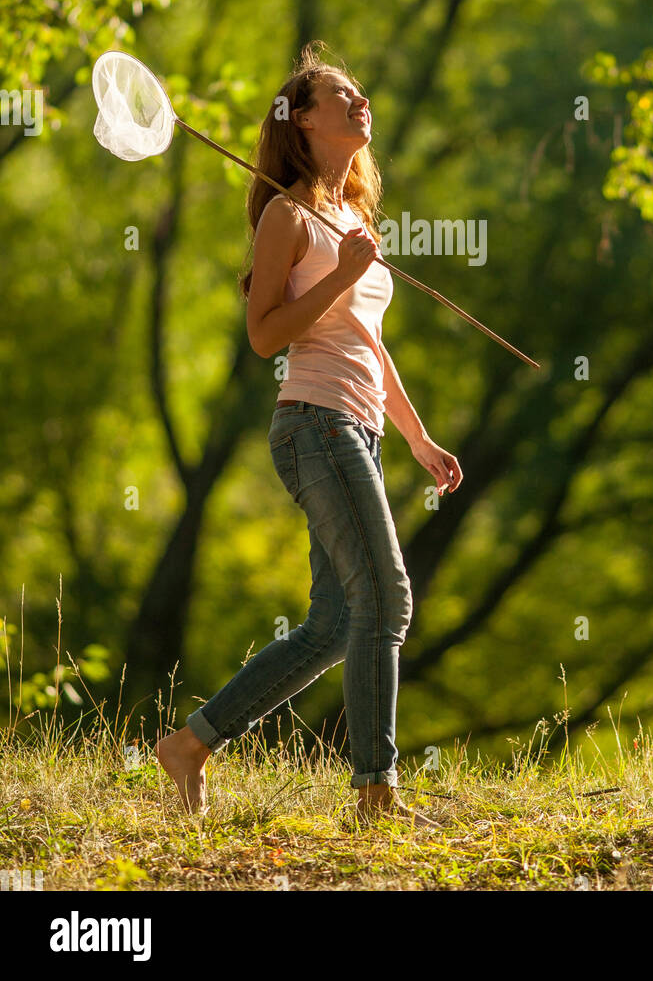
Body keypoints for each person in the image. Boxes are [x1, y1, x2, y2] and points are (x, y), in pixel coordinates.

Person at [157, 42, 462, 827]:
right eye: (343, 94)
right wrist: (340, 274)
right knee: (388, 601)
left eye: (362, 92)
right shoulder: (287, 217)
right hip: (314, 425)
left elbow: (368, 342)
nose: (362, 101)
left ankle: (189, 745)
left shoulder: (354, 218)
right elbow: (265, 336)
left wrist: (420, 439)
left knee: (333, 625)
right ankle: (375, 790)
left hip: (361, 428)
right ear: (302, 120)